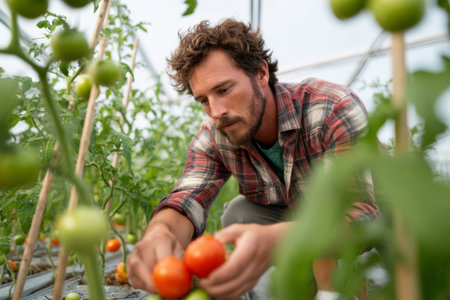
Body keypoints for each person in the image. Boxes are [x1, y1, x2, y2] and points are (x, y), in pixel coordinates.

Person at [127, 18, 379, 300]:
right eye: (204, 100)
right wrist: (160, 233)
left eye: (224, 90)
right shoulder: (215, 134)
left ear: (261, 73)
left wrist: (276, 240)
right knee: (239, 213)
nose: (216, 111)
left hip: (373, 208)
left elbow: (362, 217)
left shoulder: (330, 108)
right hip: (298, 216)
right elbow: (188, 196)